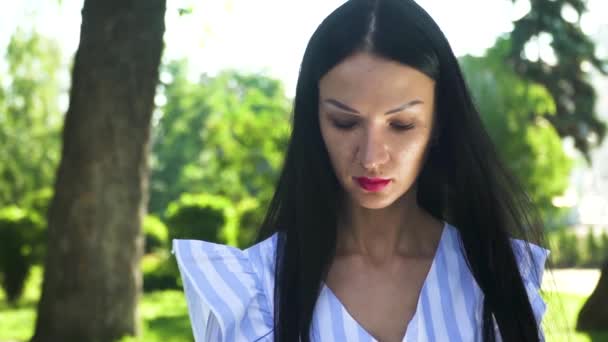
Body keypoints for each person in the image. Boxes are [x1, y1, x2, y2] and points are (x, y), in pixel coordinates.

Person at [172, 0, 550, 341]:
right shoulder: (254, 290)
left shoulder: (499, 277)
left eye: (401, 125)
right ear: (314, 122)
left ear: (438, 125)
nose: (371, 157)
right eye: (344, 123)